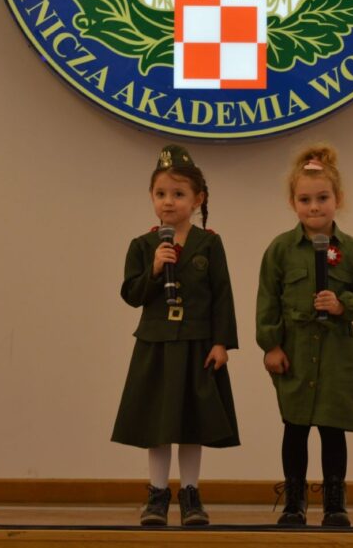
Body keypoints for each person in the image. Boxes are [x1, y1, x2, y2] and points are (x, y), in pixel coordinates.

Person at [112, 144, 239, 527]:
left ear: (197, 199)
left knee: (191, 423)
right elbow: (132, 294)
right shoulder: (143, 246)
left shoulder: (209, 243)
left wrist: (221, 343)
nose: (169, 201)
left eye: (179, 193)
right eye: (161, 193)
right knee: (158, 424)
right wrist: (154, 270)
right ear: (151, 197)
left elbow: (222, 295)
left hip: (197, 345)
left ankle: (190, 494)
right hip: (156, 345)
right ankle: (156, 495)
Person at [256, 144, 353, 527]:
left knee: (332, 429)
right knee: (294, 428)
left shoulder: (352, 251)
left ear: (337, 199)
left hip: (336, 354)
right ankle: (294, 501)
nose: (314, 207)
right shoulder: (280, 250)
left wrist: (342, 304)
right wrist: (271, 345)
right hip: (295, 352)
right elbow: (267, 300)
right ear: (292, 203)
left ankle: (334, 501)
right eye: (305, 200)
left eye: (322, 198)